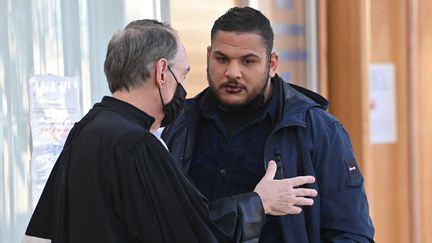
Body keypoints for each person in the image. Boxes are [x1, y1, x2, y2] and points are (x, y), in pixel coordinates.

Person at [24, 19, 319, 243]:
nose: (184, 88)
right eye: (184, 74)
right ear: (162, 72)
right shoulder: (136, 145)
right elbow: (191, 231)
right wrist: (259, 202)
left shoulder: (86, 129)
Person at [162, 7, 375, 243]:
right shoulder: (179, 122)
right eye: (222, 59)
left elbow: (352, 235)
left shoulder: (317, 130)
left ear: (272, 64)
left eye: (248, 61)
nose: (233, 72)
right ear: (208, 56)